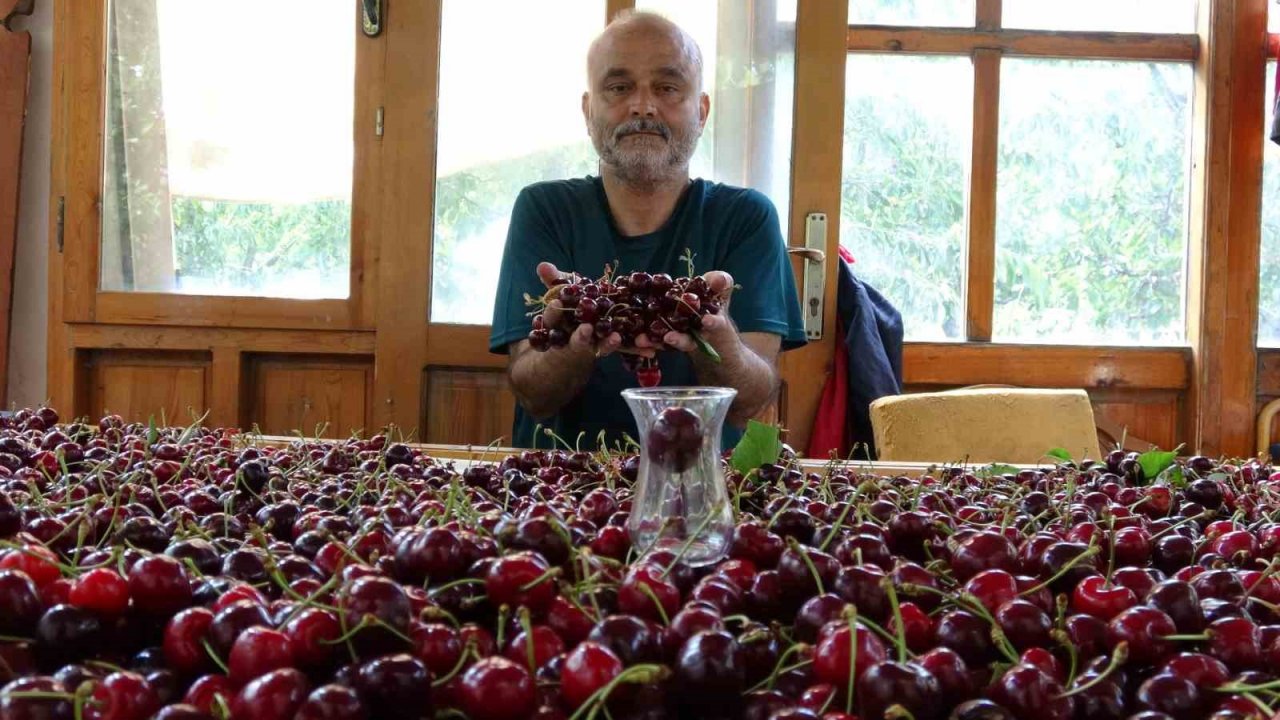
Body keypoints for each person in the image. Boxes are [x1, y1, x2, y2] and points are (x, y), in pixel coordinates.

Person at [489, 10, 806, 451]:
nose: (642, 105)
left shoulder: (746, 217)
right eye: (619, 88)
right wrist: (577, 340)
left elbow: (750, 401)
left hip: (702, 489)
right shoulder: (545, 210)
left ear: (702, 110)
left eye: (668, 87)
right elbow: (533, 394)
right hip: (560, 492)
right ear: (588, 110)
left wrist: (717, 339)